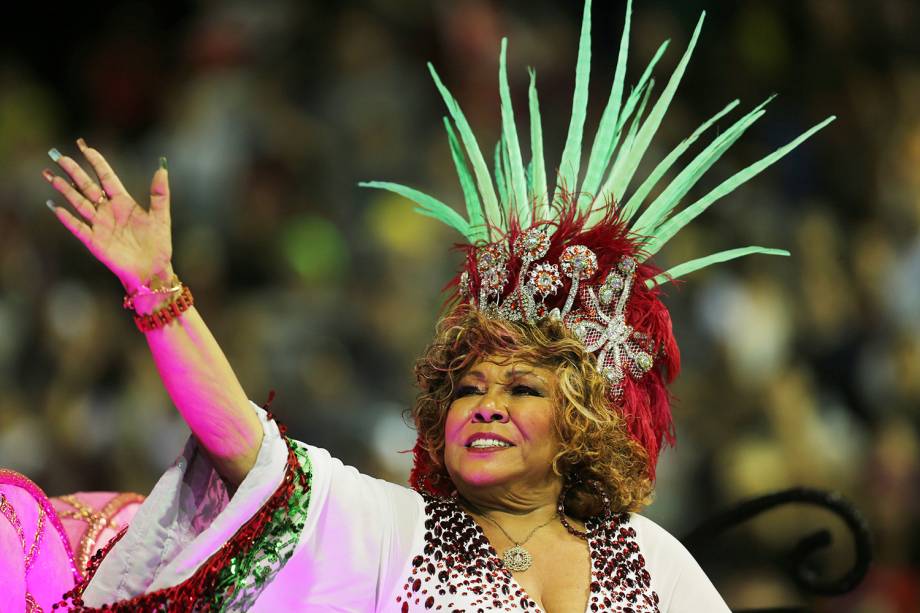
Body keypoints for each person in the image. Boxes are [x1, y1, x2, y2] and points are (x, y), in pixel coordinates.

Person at [36, 0, 833, 610]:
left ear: (582, 425)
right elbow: (245, 445)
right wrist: (157, 290)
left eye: (520, 388)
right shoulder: (392, 533)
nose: (484, 406)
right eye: (468, 389)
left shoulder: (655, 562)